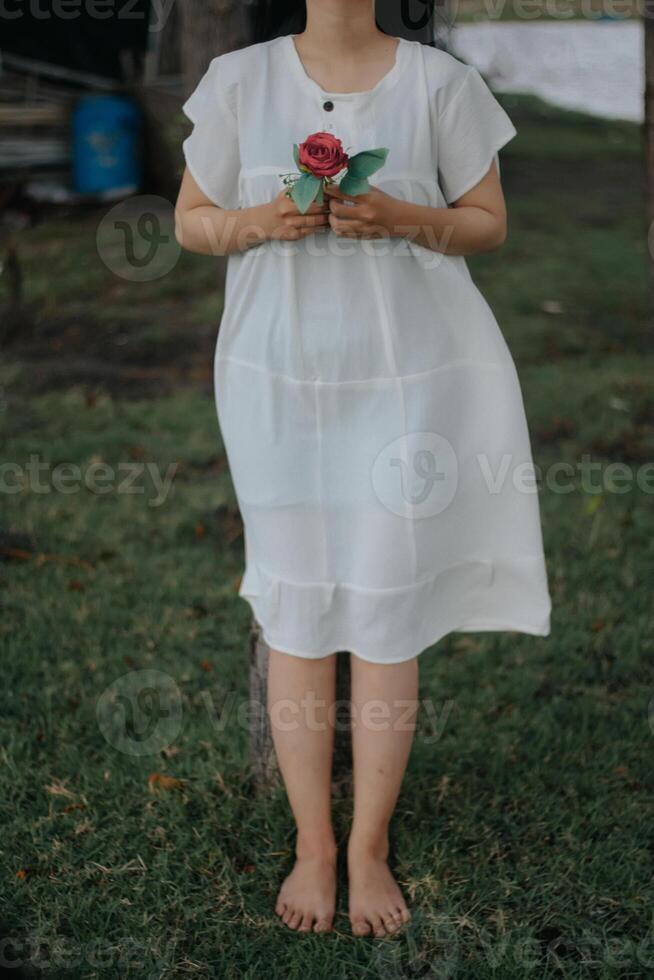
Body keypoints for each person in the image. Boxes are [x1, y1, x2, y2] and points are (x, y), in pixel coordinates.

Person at [175, 0, 551, 939]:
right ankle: (313, 842)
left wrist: (402, 218)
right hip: (278, 384)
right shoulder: (239, 80)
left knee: (387, 607)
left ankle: (369, 843)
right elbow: (189, 223)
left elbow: (488, 223)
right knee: (297, 605)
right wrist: (262, 220)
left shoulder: (438, 82)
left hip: (407, 382)